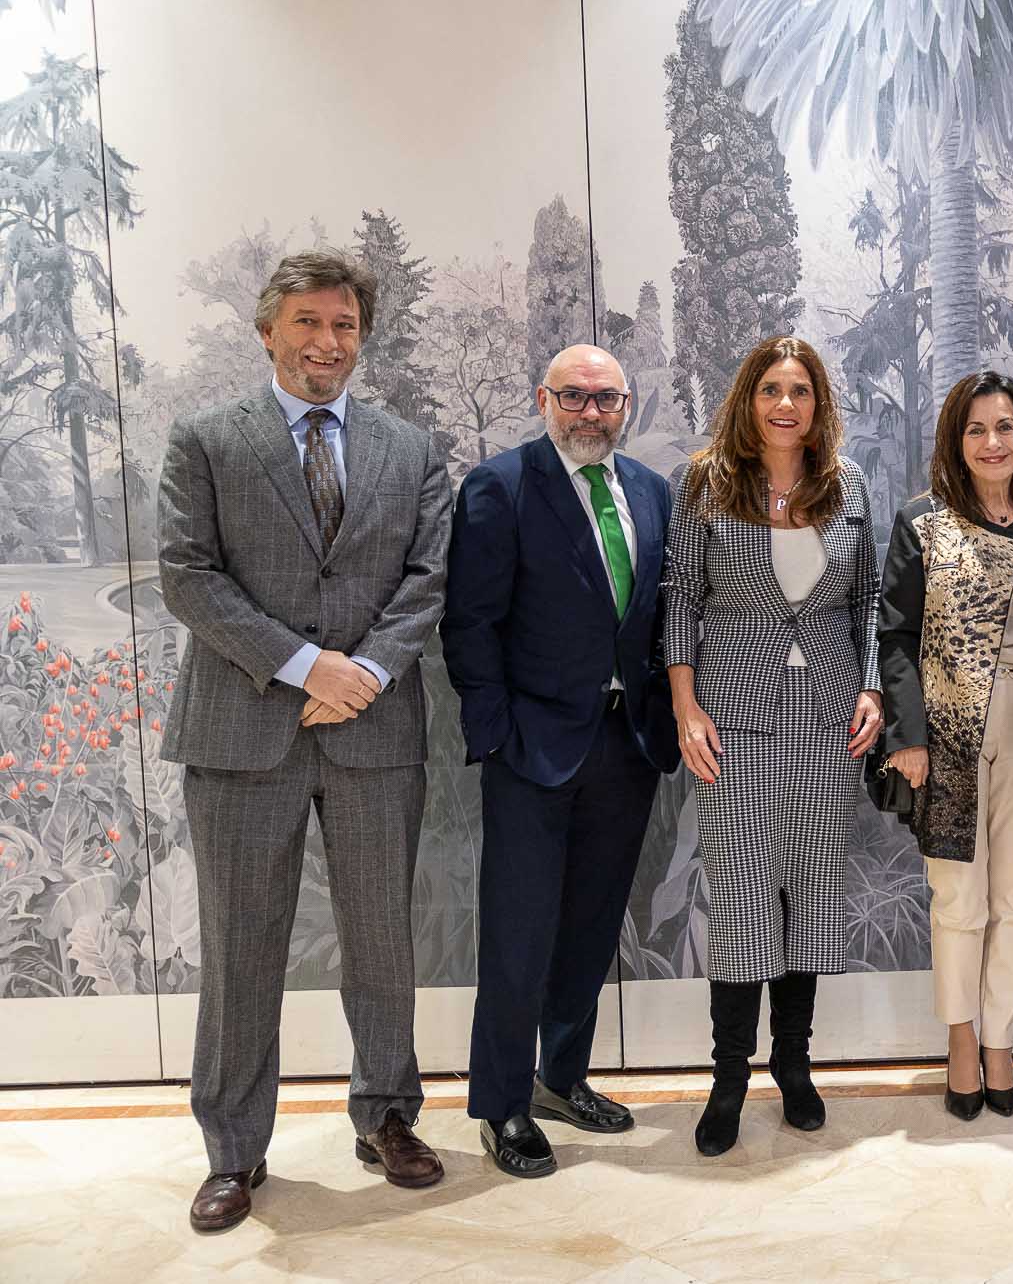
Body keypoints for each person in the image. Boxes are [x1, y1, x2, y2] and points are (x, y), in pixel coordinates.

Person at [156, 250, 451, 1232]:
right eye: (310, 323)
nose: (328, 343)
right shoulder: (204, 439)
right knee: (243, 950)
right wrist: (302, 666)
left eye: (345, 327)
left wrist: (362, 671)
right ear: (268, 329)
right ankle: (234, 1153)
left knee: (380, 944)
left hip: (372, 730)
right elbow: (188, 575)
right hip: (243, 731)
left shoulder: (409, 448)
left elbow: (426, 576)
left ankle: (388, 1118)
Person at [442, 345, 681, 1178]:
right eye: (573, 396)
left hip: (626, 746)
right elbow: (469, 624)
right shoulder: (500, 487)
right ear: (542, 397)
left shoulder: (653, 493)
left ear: (627, 404)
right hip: (531, 750)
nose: (591, 412)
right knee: (518, 932)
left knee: (589, 925)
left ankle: (561, 1076)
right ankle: (502, 1103)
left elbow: (656, 621)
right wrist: (497, 732)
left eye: (606, 398)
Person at [661, 335, 883, 1157]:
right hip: (732, 711)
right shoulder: (707, 481)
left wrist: (868, 685)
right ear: (748, 399)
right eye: (770, 390)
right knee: (746, 891)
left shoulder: (848, 485)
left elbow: (866, 600)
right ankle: (729, 1079)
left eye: (800, 390)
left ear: (818, 403)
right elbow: (681, 594)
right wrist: (686, 704)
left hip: (827, 711)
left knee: (810, 887)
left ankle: (796, 1067)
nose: (785, 404)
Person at [878, 371, 1013, 1121]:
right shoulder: (922, 524)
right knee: (957, 898)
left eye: (1005, 427)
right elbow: (897, 637)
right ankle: (962, 1042)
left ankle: (1003, 1041)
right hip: (949, 735)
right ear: (955, 442)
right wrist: (907, 739)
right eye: (975, 429)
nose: (992, 442)